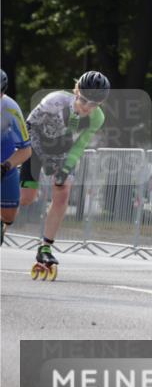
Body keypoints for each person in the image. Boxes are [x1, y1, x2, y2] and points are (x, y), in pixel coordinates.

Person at [19, 71, 110, 278]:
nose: (87, 107)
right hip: (36, 145)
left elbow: (80, 145)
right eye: (84, 100)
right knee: (27, 199)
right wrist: (42, 159)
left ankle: (46, 247)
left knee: (62, 192)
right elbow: (28, 128)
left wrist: (65, 168)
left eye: (94, 104)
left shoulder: (98, 118)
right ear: (76, 91)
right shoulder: (54, 101)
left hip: (62, 151)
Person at [1, 68, 32, 244]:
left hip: (5, 163)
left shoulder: (11, 108)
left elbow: (26, 150)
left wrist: (5, 166)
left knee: (9, 216)